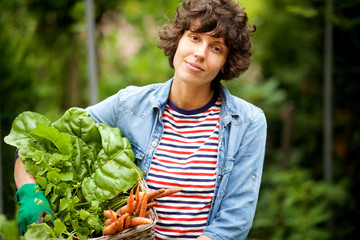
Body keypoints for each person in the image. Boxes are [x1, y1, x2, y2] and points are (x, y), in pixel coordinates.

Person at [14, 0, 267, 239]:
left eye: (216, 48)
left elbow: (234, 222)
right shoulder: (129, 105)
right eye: (194, 37)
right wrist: (29, 192)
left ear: (225, 63)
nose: (200, 53)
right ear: (178, 41)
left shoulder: (247, 123)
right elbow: (35, 143)